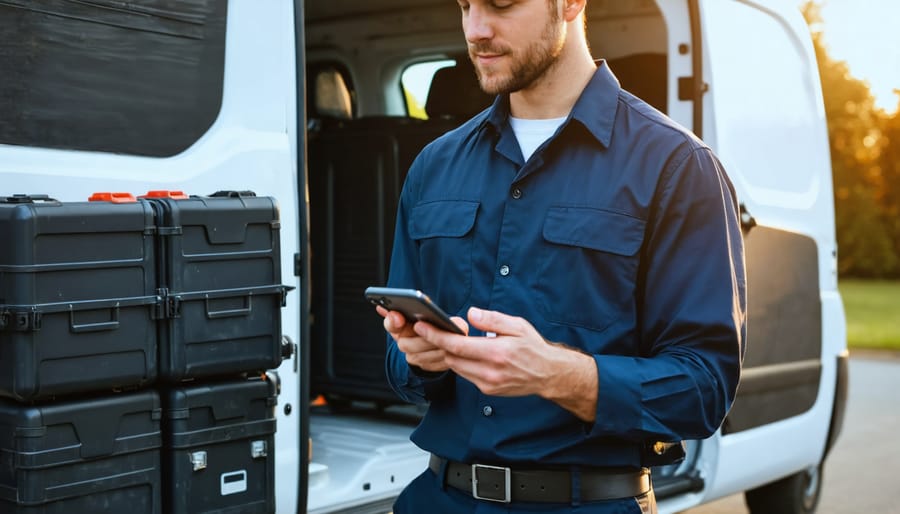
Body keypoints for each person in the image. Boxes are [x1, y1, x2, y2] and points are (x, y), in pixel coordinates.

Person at [376, 0, 747, 512]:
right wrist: (422, 359)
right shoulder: (433, 167)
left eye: (501, 4)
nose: (476, 30)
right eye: (465, 6)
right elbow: (400, 366)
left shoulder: (678, 167)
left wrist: (556, 373)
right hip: (438, 500)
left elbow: (704, 389)